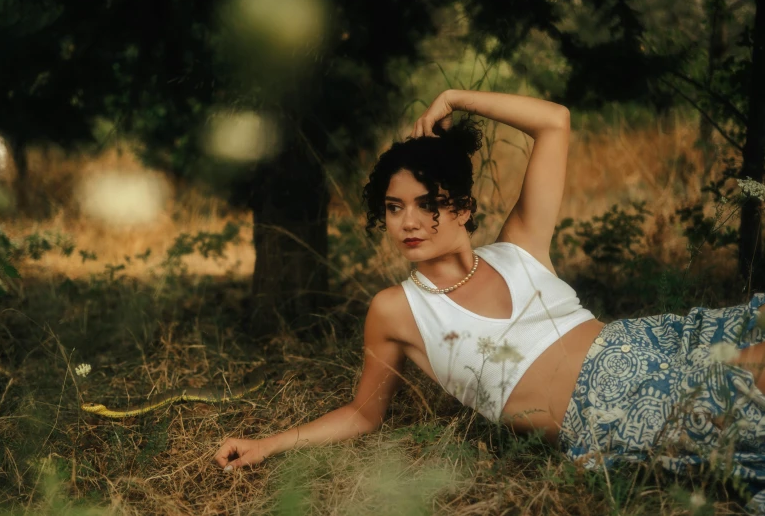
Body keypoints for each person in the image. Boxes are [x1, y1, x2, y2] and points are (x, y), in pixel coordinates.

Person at [214, 89, 765, 511]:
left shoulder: (520, 246)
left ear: (460, 206)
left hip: (647, 343)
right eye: (392, 207)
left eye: (425, 202)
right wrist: (268, 444)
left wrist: (455, 97)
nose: (407, 221)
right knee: (748, 391)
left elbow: (555, 121)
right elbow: (363, 414)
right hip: (608, 414)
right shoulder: (397, 309)